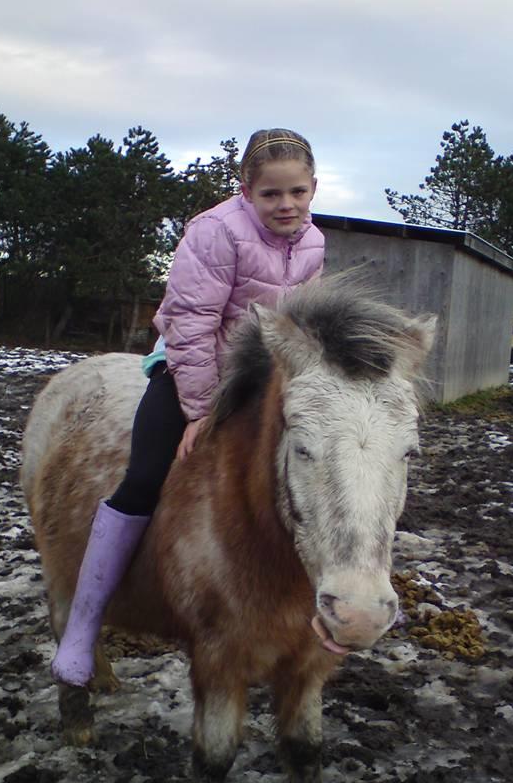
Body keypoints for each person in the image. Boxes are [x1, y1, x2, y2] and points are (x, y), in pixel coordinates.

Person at [51, 128, 324, 687]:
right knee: (145, 477)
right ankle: (82, 626)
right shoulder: (213, 232)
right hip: (189, 373)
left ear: (314, 188)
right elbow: (191, 324)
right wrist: (199, 411)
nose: (286, 205)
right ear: (245, 189)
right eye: (271, 194)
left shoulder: (314, 241)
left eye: (297, 192)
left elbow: (301, 327)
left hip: (261, 382)